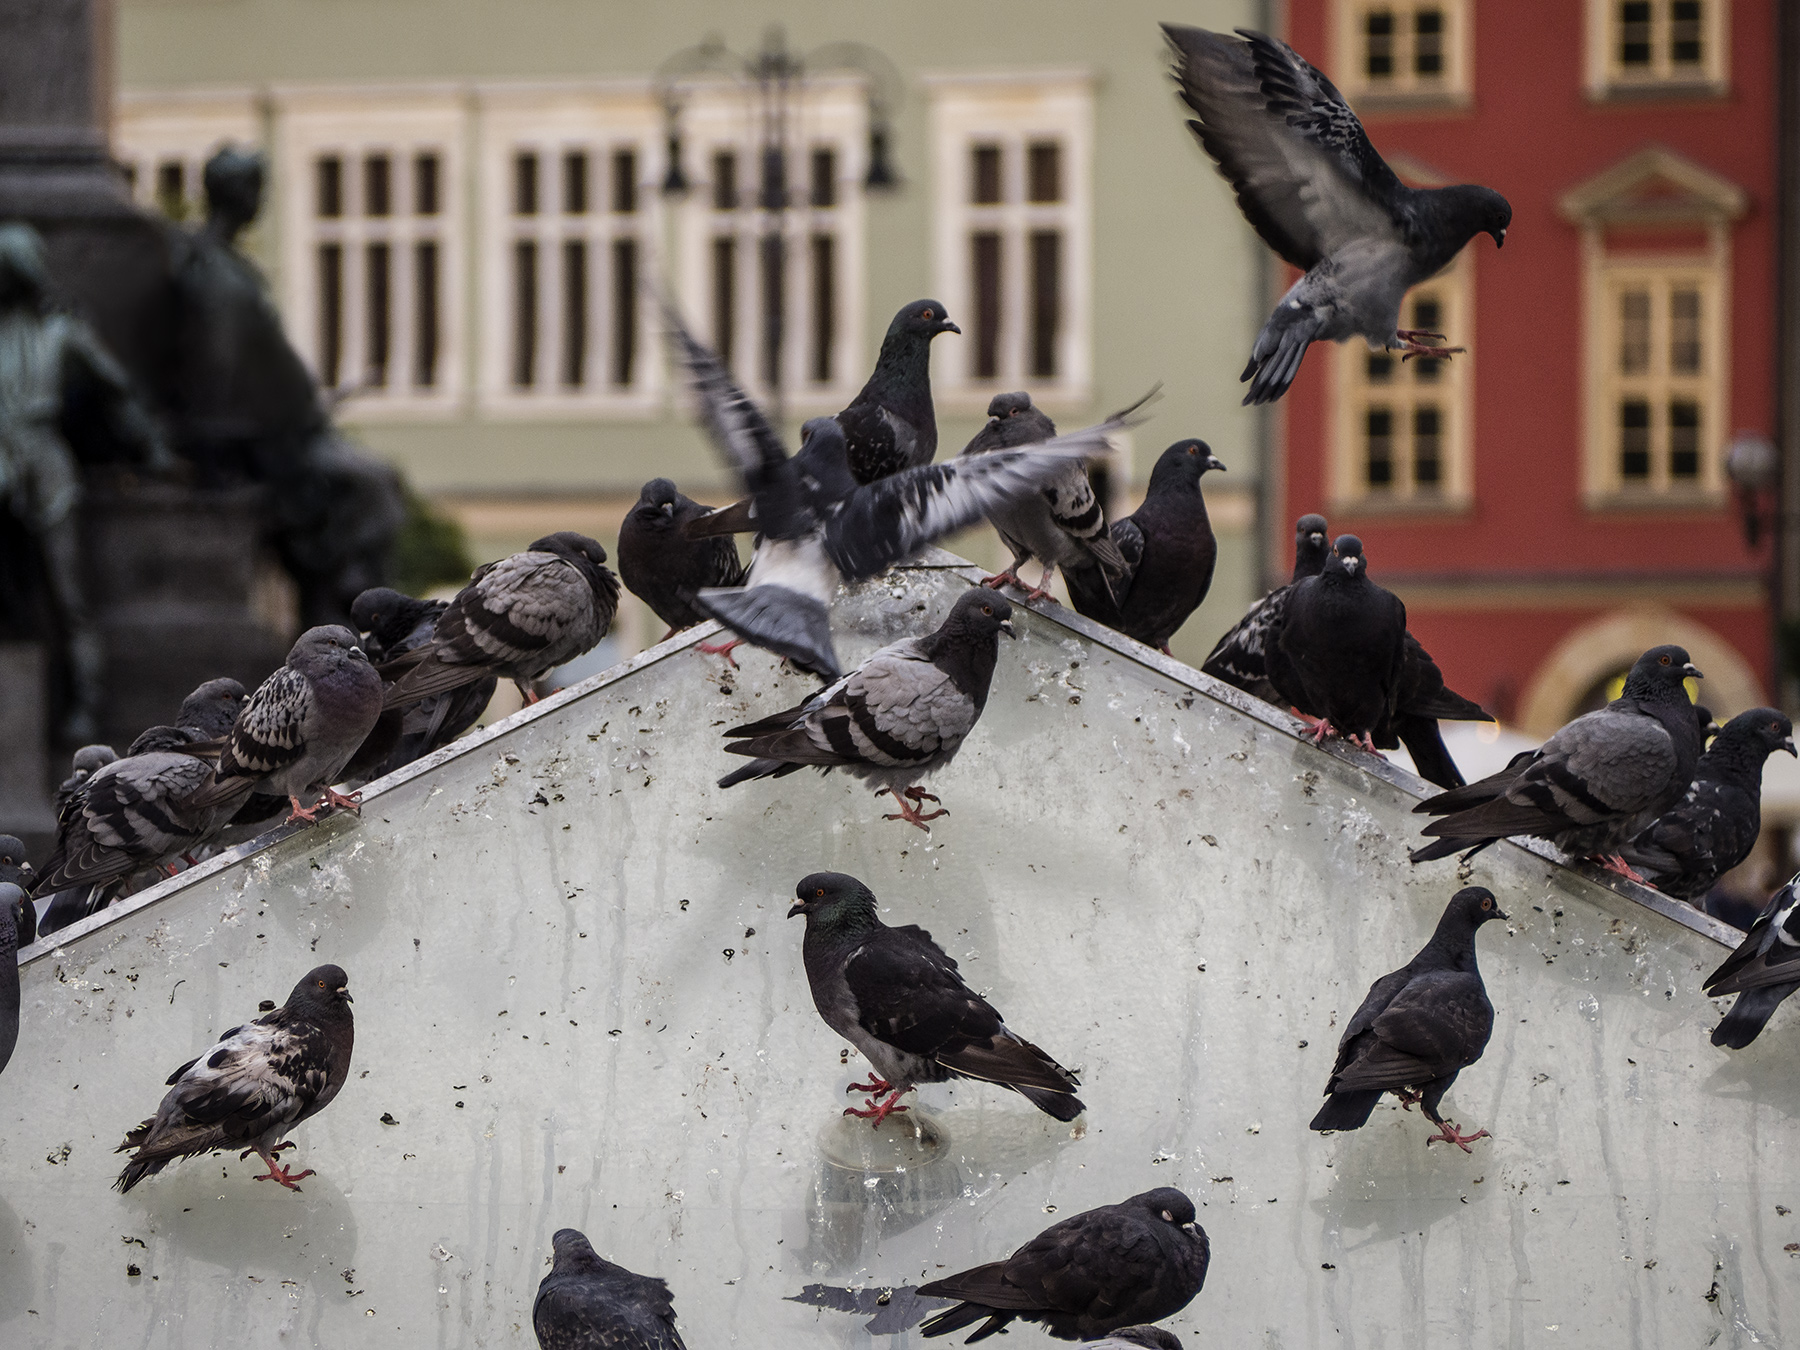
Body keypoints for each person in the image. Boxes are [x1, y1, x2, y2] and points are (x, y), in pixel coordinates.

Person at [0, 222, 175, 740]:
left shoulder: (62, 331)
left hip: (44, 462)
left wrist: (153, 449)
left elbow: (116, 389)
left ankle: (85, 705)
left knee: (66, 593)